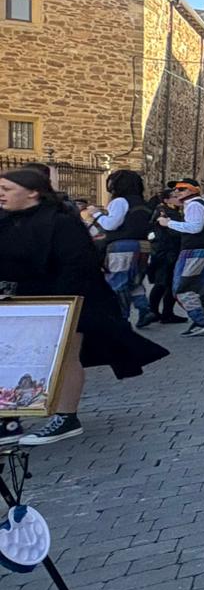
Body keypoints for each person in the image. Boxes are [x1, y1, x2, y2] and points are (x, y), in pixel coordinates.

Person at [0, 168, 167, 445]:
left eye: (7, 189)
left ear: (32, 192)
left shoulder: (61, 222)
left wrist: (59, 305)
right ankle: (10, 417)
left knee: (64, 357)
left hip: (63, 301)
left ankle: (66, 417)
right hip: (17, 303)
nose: (1, 195)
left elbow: (78, 265)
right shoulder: (5, 221)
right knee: (11, 358)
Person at [158, 178, 204, 336]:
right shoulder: (201, 205)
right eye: (175, 190)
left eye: (181, 189)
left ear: (193, 190)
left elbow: (194, 228)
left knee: (182, 288)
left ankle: (202, 321)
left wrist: (168, 223)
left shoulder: (194, 206)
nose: (176, 192)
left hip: (195, 252)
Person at [96, 169, 154, 326]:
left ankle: (122, 317)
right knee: (135, 281)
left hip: (122, 246)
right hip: (143, 245)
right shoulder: (142, 203)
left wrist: (96, 214)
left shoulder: (120, 202)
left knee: (118, 282)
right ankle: (144, 309)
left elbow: (111, 224)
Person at [144, 187, 186, 325]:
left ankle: (164, 313)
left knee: (167, 284)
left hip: (167, 252)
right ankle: (156, 312)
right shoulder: (165, 213)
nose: (178, 197)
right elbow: (172, 233)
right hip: (166, 253)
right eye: (174, 196)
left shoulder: (171, 211)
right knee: (162, 284)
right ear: (167, 200)